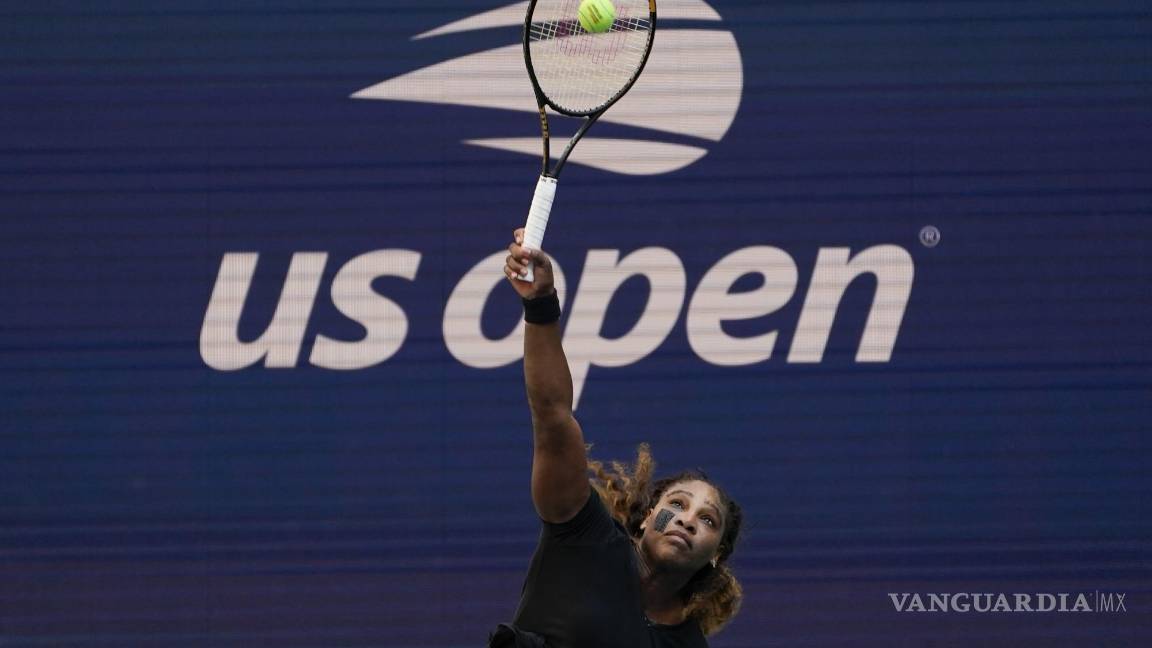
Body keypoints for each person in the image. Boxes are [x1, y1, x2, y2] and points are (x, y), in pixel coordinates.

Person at [490, 229, 744, 648]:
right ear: (646, 517)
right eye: (677, 504)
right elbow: (553, 417)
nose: (686, 520)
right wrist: (539, 305)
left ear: (716, 555)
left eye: (707, 520)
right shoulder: (584, 535)